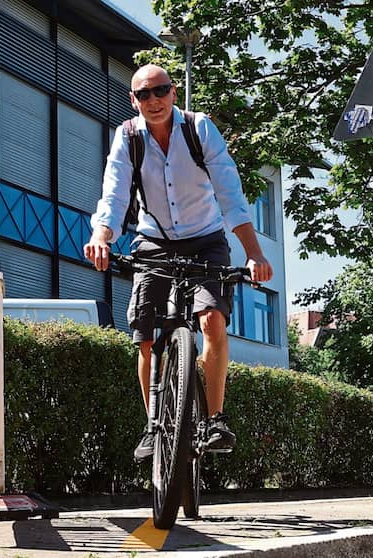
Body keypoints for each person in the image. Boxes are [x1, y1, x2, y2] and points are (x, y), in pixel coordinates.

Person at [84, 64, 273, 460]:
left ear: (173, 93)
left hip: (206, 239)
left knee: (212, 321)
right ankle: (154, 424)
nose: (153, 101)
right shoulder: (128, 136)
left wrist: (254, 253)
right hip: (153, 241)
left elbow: (230, 196)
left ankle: (215, 419)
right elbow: (115, 196)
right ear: (132, 100)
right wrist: (101, 237)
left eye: (160, 91)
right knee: (147, 338)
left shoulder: (199, 128)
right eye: (143, 95)